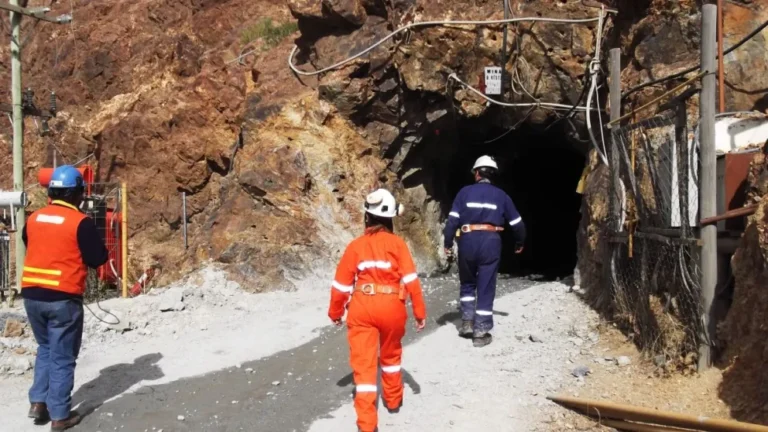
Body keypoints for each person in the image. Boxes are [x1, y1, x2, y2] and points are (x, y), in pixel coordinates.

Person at [328, 188, 427, 432]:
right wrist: (420, 313)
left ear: (367, 217)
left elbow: (341, 285)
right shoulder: (398, 244)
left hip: (362, 306)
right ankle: (393, 400)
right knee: (391, 356)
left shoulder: (356, 246)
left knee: (364, 367)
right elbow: (412, 280)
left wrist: (335, 313)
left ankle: (367, 424)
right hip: (392, 306)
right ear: (390, 218)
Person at [21, 165, 108, 431]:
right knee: (62, 356)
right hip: (63, 297)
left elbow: (30, 243)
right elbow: (98, 258)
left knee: (45, 348)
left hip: (32, 295)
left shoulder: (34, 217)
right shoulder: (79, 222)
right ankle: (59, 415)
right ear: (76, 194)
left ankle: (38, 403)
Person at [443, 155, 526, 347]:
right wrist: (519, 242)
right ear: (493, 175)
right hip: (491, 241)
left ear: (477, 173)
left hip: (467, 240)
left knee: (467, 282)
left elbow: (452, 221)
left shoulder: (464, 193)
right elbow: (517, 224)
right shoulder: (501, 196)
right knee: (486, 284)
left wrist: (448, 242)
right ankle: (480, 331)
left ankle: (467, 323)